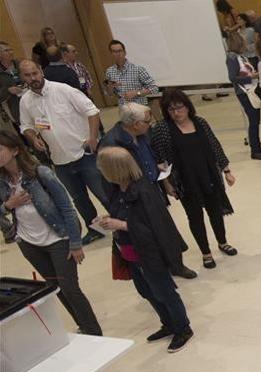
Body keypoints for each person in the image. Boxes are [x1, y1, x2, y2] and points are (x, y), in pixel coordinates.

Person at [0, 130, 103, 336]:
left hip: (59, 239)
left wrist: (75, 243)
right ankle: (83, 327)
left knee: (70, 289)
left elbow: (67, 208)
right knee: (55, 287)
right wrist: (8, 205)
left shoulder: (41, 173)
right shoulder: (2, 182)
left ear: (15, 150)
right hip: (28, 243)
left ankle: (93, 331)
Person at [95, 146, 194, 352]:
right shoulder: (116, 189)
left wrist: (121, 225)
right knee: (147, 291)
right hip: (130, 252)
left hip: (149, 253)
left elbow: (155, 227)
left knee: (164, 291)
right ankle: (168, 324)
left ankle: (183, 328)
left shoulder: (143, 192)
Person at [99, 103, 198, 279]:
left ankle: (176, 264)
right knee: (148, 233)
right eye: (147, 120)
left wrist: (165, 183)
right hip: (135, 197)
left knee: (166, 229)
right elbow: (110, 180)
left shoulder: (142, 133)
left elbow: (151, 158)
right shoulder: (111, 143)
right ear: (135, 124)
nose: (150, 123)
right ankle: (159, 270)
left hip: (152, 190)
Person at [16, 60, 107, 246]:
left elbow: (92, 111)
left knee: (103, 193)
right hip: (59, 160)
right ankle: (94, 229)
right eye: (27, 75)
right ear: (22, 77)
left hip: (85, 154)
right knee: (79, 199)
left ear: (41, 71)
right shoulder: (25, 101)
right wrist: (33, 137)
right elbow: (26, 126)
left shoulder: (63, 90)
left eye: (35, 73)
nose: (33, 78)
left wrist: (92, 138)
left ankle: (124, 223)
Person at [150, 90, 239, 271]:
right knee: (195, 217)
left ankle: (223, 242)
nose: (176, 112)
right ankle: (206, 253)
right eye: (171, 109)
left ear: (187, 106)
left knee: (215, 212)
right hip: (185, 182)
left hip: (209, 176)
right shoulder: (162, 130)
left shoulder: (200, 123)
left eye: (179, 107)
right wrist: (167, 184)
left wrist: (226, 170)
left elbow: (215, 146)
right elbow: (160, 160)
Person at [224, 33, 261, 161]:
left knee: (256, 120)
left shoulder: (240, 57)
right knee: (253, 121)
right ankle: (255, 150)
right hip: (244, 92)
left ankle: (258, 146)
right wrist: (251, 77)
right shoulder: (232, 58)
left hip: (251, 90)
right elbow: (233, 78)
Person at [104, 40, 159, 108]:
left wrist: (136, 93)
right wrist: (109, 88)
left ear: (125, 52)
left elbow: (154, 88)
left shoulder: (138, 69)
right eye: (114, 52)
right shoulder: (109, 71)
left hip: (140, 107)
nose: (117, 54)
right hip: (123, 109)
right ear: (111, 54)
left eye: (120, 51)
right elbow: (110, 94)